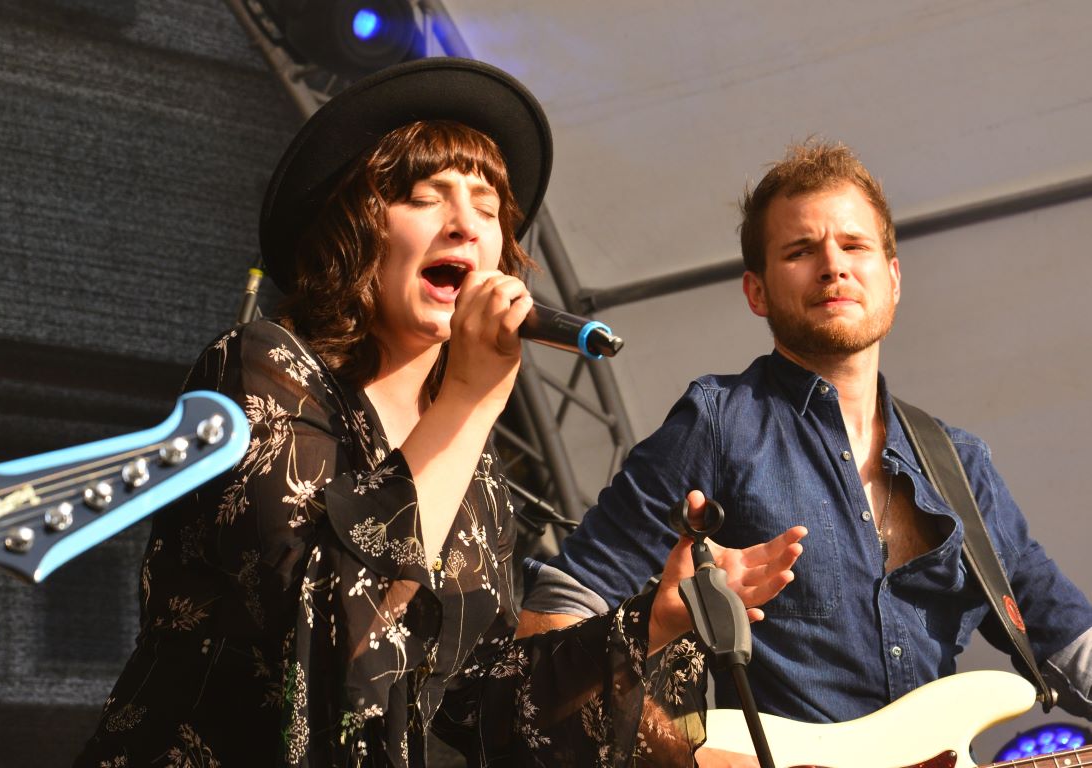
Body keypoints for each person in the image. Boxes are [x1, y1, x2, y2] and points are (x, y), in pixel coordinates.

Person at [72, 58, 804, 767]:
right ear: (356, 228)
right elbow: (325, 632)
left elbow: (488, 707)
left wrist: (654, 619)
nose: (466, 225)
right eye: (426, 197)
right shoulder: (261, 366)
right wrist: (469, 399)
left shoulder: (471, 465)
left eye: (488, 208)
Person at [519, 140, 1092, 760]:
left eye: (855, 245)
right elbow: (556, 617)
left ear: (894, 279)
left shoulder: (961, 465)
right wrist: (691, 757)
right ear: (756, 292)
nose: (832, 266)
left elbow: (1069, 642)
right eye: (800, 251)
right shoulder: (717, 425)